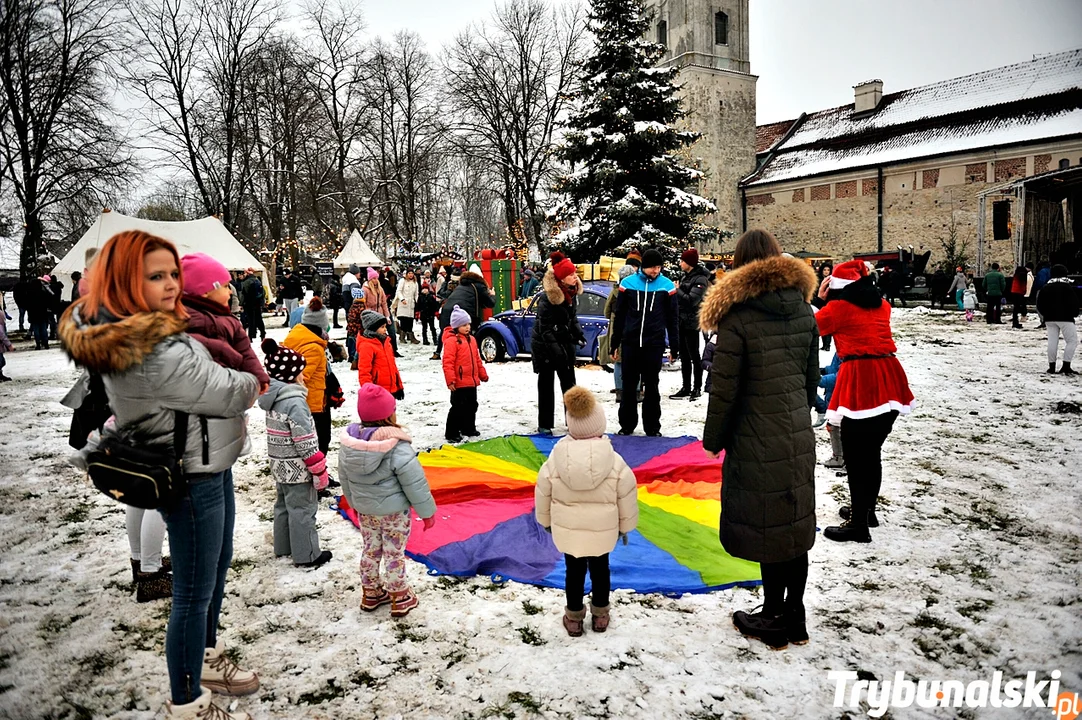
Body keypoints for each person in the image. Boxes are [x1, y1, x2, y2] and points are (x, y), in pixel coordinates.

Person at [58, 230, 260, 719]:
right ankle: (187, 701)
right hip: (188, 473)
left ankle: (206, 660)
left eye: (174, 273)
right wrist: (247, 372)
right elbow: (236, 390)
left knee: (212, 573)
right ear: (127, 282)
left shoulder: (164, 332)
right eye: (156, 276)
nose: (171, 284)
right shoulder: (149, 347)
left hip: (210, 459)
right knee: (193, 592)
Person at [699, 228, 819, 650]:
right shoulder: (805, 311)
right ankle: (796, 616)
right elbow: (809, 382)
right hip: (796, 435)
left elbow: (724, 389)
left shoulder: (739, 317)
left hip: (755, 435)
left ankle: (773, 615)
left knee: (770, 528)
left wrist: (713, 439)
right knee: (793, 527)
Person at [815, 260, 915, 543]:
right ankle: (866, 511)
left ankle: (858, 525)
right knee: (871, 452)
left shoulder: (837, 309)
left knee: (857, 456)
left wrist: (819, 299)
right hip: (890, 376)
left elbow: (808, 327)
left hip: (861, 378)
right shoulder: (883, 305)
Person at [535, 386, 638, 636]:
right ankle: (600, 615)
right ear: (600, 424)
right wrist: (625, 527)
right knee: (601, 570)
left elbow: (543, 491)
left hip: (569, 534)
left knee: (574, 572)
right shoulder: (614, 460)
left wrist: (546, 521)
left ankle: (573, 618)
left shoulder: (555, 458)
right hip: (602, 533)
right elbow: (626, 493)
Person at [338, 383, 437, 617]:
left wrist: (354, 503)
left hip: (366, 512)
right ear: (390, 415)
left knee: (371, 550)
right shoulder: (398, 447)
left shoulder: (350, 446)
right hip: (394, 514)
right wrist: (427, 513)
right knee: (393, 553)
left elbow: (344, 477)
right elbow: (415, 484)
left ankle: (371, 593)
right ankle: (400, 596)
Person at [257, 339, 333, 567]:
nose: (303, 376)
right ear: (292, 375)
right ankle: (307, 554)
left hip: (280, 464)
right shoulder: (295, 403)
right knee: (303, 509)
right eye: (300, 372)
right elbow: (305, 441)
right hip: (298, 468)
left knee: (283, 506)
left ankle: (284, 546)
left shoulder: (273, 398)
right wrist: (318, 468)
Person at [610, 248, 679, 437]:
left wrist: (674, 345)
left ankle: (652, 427)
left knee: (652, 385)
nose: (656, 271)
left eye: (658, 267)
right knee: (629, 385)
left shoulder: (667, 286)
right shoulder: (627, 284)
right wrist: (614, 343)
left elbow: (673, 318)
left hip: (653, 344)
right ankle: (627, 425)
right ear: (644, 267)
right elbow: (620, 316)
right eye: (652, 268)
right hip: (631, 342)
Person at [531, 252, 585, 435]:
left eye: (575, 273)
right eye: (571, 275)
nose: (575, 277)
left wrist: (578, 333)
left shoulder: (572, 293)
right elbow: (545, 328)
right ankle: (545, 424)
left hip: (564, 342)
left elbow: (572, 318)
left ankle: (573, 422)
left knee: (569, 385)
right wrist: (557, 352)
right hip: (545, 347)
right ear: (561, 278)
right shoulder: (547, 298)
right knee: (546, 385)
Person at [283, 298, 331, 454]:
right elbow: (302, 378)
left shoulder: (296, 339)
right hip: (313, 404)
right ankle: (319, 475)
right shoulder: (313, 348)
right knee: (320, 442)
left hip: (301, 404)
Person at [442, 305, 489, 442]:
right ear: (456, 326)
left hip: (471, 380)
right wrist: (450, 380)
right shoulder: (452, 341)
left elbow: (477, 359)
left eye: (468, 324)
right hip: (459, 382)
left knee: (472, 405)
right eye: (463, 325)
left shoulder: (472, 340)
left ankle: (468, 427)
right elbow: (448, 362)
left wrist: (482, 374)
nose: (467, 327)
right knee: (458, 407)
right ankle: (452, 432)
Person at [671, 247, 712, 400]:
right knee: (685, 356)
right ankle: (686, 386)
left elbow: (692, 300)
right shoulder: (685, 277)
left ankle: (697, 387)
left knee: (694, 355)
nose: (680, 263)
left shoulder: (700, 279)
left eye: (682, 261)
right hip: (681, 320)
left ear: (689, 263)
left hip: (692, 321)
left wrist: (677, 290)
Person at [1035, 264, 1079, 375]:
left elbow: (1039, 303)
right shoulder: (1067, 287)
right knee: (1072, 341)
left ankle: (1051, 366)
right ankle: (1066, 365)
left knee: (1052, 342)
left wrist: (1045, 315)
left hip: (1050, 318)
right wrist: (1074, 313)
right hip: (1066, 318)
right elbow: (1074, 302)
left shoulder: (1046, 287)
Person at [355, 310, 404, 399]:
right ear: (373, 328)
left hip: (390, 389)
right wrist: (369, 391)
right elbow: (364, 371)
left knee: (391, 412)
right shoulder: (367, 346)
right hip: (377, 390)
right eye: (382, 327)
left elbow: (392, 367)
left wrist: (398, 386)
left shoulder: (386, 342)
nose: (385, 329)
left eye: (385, 326)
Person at [25, 275, 56, 349]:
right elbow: (47, 302)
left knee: (36, 329)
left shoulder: (29, 294)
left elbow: (28, 305)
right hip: (43, 313)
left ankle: (38, 343)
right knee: (43, 328)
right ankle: (45, 343)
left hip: (33, 314)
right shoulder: (43, 293)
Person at [393, 269, 420, 344]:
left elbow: (416, 293)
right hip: (404, 303)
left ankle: (410, 336)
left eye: (412, 273)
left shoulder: (415, 283)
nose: (411, 275)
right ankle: (402, 336)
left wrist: (417, 301)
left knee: (410, 321)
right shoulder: (403, 281)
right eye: (409, 273)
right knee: (404, 320)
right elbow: (398, 291)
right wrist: (402, 299)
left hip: (411, 304)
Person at [240, 268, 266, 341]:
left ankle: (250, 336)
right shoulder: (257, 280)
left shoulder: (245, 282)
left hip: (249, 303)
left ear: (247, 274)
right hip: (257, 303)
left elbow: (243, 294)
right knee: (259, 319)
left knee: (250, 319)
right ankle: (263, 333)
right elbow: (263, 292)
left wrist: (241, 304)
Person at [1033, 261, 1051, 329]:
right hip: (1050, 290)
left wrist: (1036, 288)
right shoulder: (1050, 271)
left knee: (1039, 305)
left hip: (1042, 290)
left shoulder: (1042, 272)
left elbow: (1040, 282)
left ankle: (1043, 321)